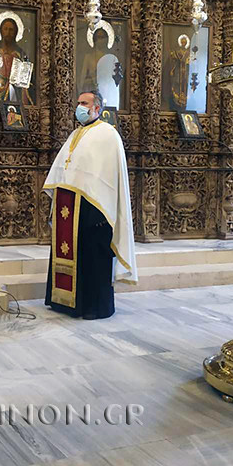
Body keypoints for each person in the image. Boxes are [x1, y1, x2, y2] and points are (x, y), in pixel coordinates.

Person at [43, 89, 137, 319]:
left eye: (84, 103)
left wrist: (95, 202)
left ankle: (94, 306)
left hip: (95, 212)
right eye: (78, 103)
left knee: (93, 258)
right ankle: (65, 303)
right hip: (71, 207)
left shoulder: (108, 134)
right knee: (71, 253)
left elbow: (106, 178)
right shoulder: (75, 134)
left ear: (97, 108)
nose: (79, 107)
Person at [0, 17, 32, 105]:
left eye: (11, 30)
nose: (8, 33)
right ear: (1, 31)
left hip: (15, 93)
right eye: (5, 29)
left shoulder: (20, 53)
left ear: (16, 32)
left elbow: (27, 77)